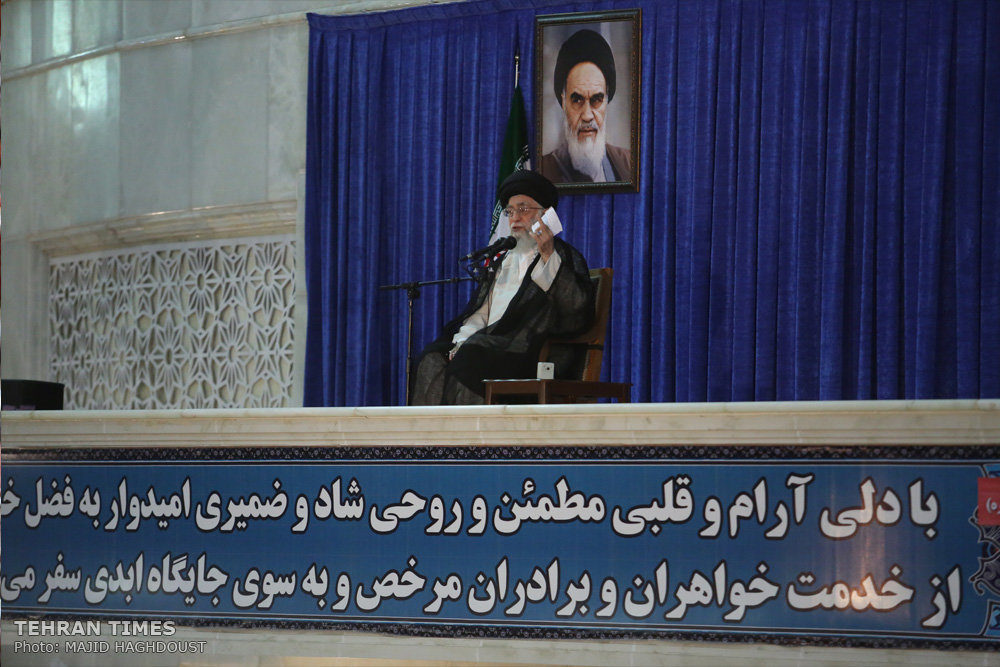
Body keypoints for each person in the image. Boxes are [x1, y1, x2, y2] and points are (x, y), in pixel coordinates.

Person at [410, 170, 595, 405]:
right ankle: (439, 431)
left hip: (530, 353)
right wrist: (460, 342)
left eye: (523, 209)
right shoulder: (503, 259)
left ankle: (475, 431)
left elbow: (576, 312)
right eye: (510, 211)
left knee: (473, 355)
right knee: (433, 358)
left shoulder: (562, 256)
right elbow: (481, 313)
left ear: (546, 215)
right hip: (487, 346)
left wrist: (548, 255)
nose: (515, 218)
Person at [539, 28, 632, 184]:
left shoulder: (628, 163)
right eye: (577, 100)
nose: (587, 115)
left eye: (596, 100)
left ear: (606, 101)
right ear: (563, 102)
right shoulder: (541, 171)